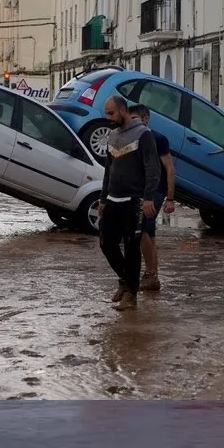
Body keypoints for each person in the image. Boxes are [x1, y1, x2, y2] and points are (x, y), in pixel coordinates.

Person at [97, 95, 160, 310]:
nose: (109, 118)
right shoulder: (112, 136)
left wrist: (148, 197)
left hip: (134, 201)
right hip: (113, 200)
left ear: (123, 110)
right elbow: (108, 170)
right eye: (107, 114)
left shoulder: (144, 135)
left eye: (112, 113)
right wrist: (103, 199)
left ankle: (131, 295)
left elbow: (153, 168)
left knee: (133, 247)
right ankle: (126, 280)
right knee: (106, 243)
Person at [127, 104, 176, 291]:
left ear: (145, 119)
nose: (131, 123)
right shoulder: (131, 138)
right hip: (140, 190)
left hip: (156, 190)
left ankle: (149, 273)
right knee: (149, 233)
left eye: (135, 119)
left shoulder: (158, 139)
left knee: (143, 230)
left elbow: (170, 168)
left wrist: (170, 198)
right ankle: (153, 276)